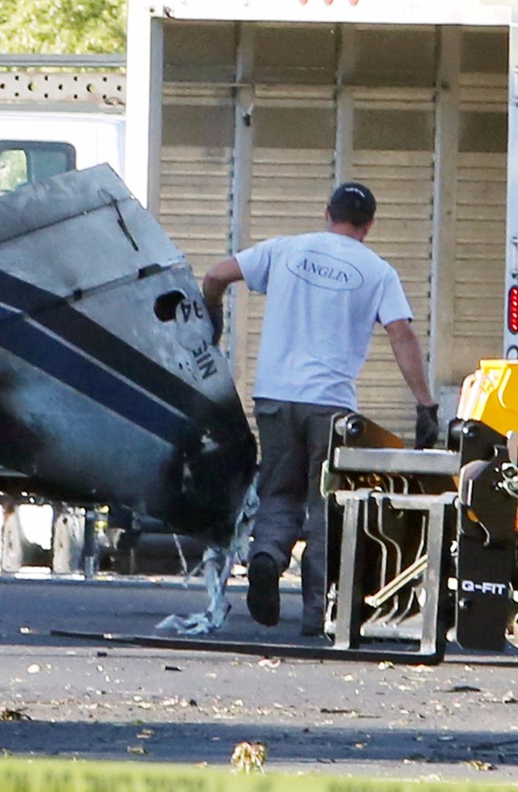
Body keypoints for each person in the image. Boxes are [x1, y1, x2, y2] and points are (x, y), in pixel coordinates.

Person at [201, 181, 438, 637]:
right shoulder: (378, 271)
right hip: (331, 407)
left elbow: (215, 275)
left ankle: (267, 555)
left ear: (327, 213)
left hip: (275, 397)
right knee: (327, 504)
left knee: (278, 491)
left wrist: (213, 314)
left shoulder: (283, 250)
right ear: (369, 224)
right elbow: (401, 335)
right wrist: (425, 404)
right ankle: (316, 612)